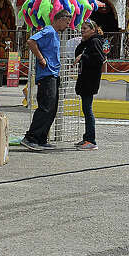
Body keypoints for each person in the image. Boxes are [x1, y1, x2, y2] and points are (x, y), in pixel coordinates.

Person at [20, 11, 72, 151]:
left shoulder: (54, 33)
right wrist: (41, 58)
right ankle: (31, 137)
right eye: (66, 23)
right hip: (46, 74)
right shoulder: (49, 30)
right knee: (45, 107)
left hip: (53, 74)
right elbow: (31, 41)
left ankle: (41, 138)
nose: (67, 26)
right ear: (60, 19)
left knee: (52, 108)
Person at [73, 20, 107, 150]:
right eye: (82, 28)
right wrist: (82, 48)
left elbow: (99, 59)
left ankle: (91, 140)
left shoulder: (95, 41)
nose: (82, 30)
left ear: (93, 30)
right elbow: (78, 53)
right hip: (85, 80)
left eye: (85, 28)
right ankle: (87, 137)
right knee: (86, 110)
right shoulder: (87, 42)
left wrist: (83, 56)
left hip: (90, 80)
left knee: (88, 110)